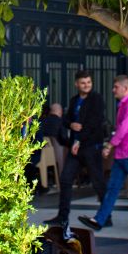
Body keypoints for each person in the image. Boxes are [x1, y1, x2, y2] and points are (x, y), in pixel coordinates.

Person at [78, 75, 128, 231]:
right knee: (112, 189)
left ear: (125, 88)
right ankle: (99, 220)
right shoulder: (124, 104)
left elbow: (124, 128)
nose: (113, 90)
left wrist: (110, 145)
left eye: (116, 87)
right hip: (121, 153)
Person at [44, 69, 107, 226]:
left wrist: (79, 141)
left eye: (89, 82)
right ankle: (62, 216)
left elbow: (94, 123)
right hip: (75, 148)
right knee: (65, 179)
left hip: (91, 146)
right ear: (76, 84)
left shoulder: (96, 99)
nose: (86, 85)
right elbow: (65, 120)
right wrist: (71, 124)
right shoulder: (74, 100)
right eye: (83, 83)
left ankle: (106, 215)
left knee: (98, 181)